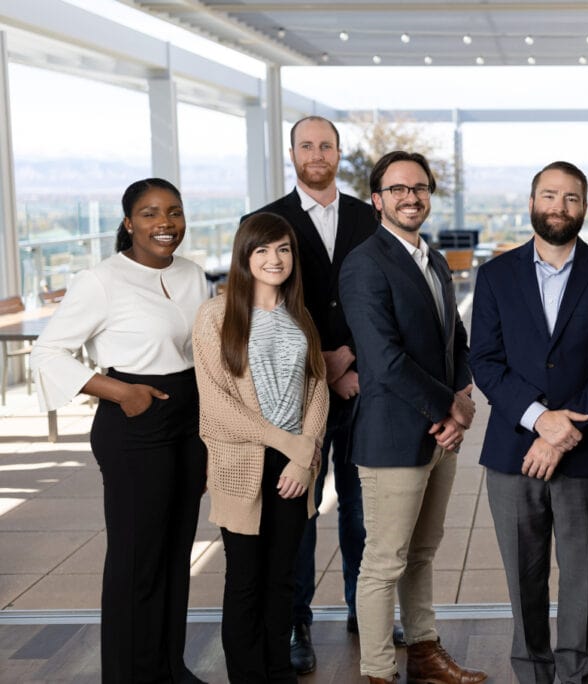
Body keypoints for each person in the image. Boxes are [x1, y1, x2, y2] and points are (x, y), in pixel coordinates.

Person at [30, 178, 208, 683]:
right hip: (134, 423)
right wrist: (120, 392)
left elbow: (202, 353)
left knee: (176, 556)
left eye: (174, 212)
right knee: (137, 560)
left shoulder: (195, 275)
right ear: (129, 222)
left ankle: (168, 668)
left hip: (188, 421)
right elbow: (48, 352)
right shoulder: (101, 279)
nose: (165, 224)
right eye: (150, 214)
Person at [470, 161, 588, 684]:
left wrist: (563, 436)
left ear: (584, 207)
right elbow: (486, 361)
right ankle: (532, 674)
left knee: (581, 575)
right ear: (532, 201)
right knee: (524, 576)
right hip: (513, 450)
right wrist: (542, 421)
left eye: (571, 198)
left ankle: (578, 672)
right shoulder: (495, 275)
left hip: (587, 454)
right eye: (549, 196)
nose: (559, 207)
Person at [245, 115, 392, 674]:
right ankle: (295, 622)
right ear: (292, 153)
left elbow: (384, 295)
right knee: (297, 512)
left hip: (359, 388)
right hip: (291, 397)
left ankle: (366, 609)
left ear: (338, 153)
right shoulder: (264, 222)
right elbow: (258, 302)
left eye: (325, 145)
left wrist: (347, 358)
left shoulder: (368, 216)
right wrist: (319, 368)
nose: (316, 153)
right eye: (306, 145)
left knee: (361, 509)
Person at [339, 151, 486, 684]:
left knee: (422, 553)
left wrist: (462, 395)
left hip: (439, 435)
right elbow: (383, 359)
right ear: (377, 200)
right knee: (383, 563)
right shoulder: (364, 264)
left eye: (419, 188)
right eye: (398, 189)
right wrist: (450, 405)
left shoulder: (435, 259)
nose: (411, 197)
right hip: (393, 438)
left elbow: (455, 340)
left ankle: (424, 653)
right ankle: (378, 672)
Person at [192, 213, 329, 682]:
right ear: (245, 257)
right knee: (246, 580)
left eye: (284, 249)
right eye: (263, 250)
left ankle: (279, 672)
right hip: (243, 460)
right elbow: (216, 406)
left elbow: (318, 389)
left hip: (295, 464)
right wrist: (288, 442)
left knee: (282, 580)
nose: (275, 259)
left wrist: (303, 454)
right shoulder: (217, 314)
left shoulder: (300, 315)